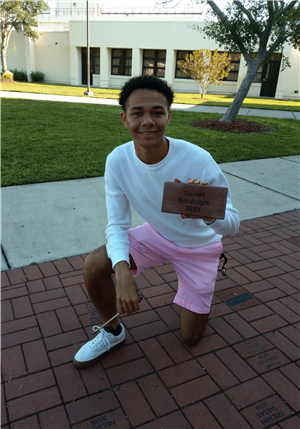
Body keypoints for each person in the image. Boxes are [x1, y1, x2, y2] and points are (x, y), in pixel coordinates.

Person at [73, 75, 240, 369]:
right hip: (157, 235)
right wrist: (121, 270)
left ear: (169, 116)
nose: (147, 121)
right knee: (95, 264)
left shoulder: (197, 159)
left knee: (191, 337)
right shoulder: (117, 160)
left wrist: (207, 213)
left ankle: (200, 293)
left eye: (157, 112)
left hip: (200, 246)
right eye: (138, 113)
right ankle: (112, 331)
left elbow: (233, 224)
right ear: (125, 118)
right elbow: (117, 225)